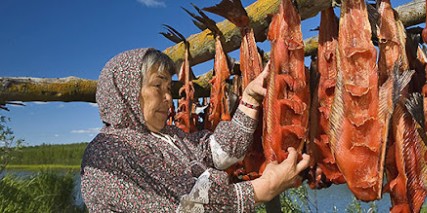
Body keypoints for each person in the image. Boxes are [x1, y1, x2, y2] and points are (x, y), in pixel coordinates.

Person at [80, 48, 310, 212]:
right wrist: (264, 188)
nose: (168, 96)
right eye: (157, 85)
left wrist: (249, 98)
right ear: (126, 92)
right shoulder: (108, 153)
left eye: (169, 87)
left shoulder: (170, 136)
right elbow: (185, 206)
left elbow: (220, 151)